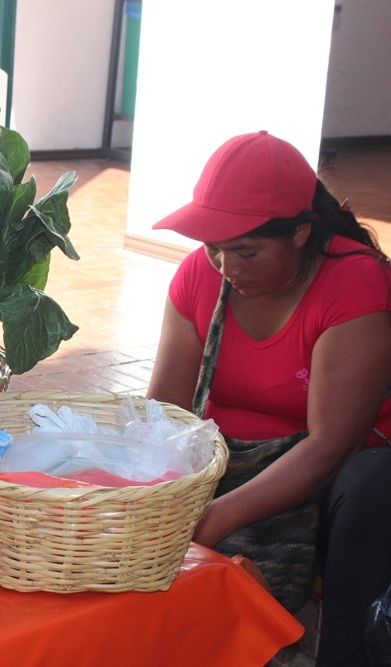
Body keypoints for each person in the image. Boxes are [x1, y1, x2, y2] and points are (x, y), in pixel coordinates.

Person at [147, 130, 391, 666]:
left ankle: (344, 654)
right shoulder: (198, 277)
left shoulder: (354, 284)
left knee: (374, 486)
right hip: (224, 469)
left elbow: (329, 445)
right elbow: (163, 414)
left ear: (302, 232)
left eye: (247, 252)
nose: (227, 269)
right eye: (214, 249)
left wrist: (214, 519)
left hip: (329, 476)